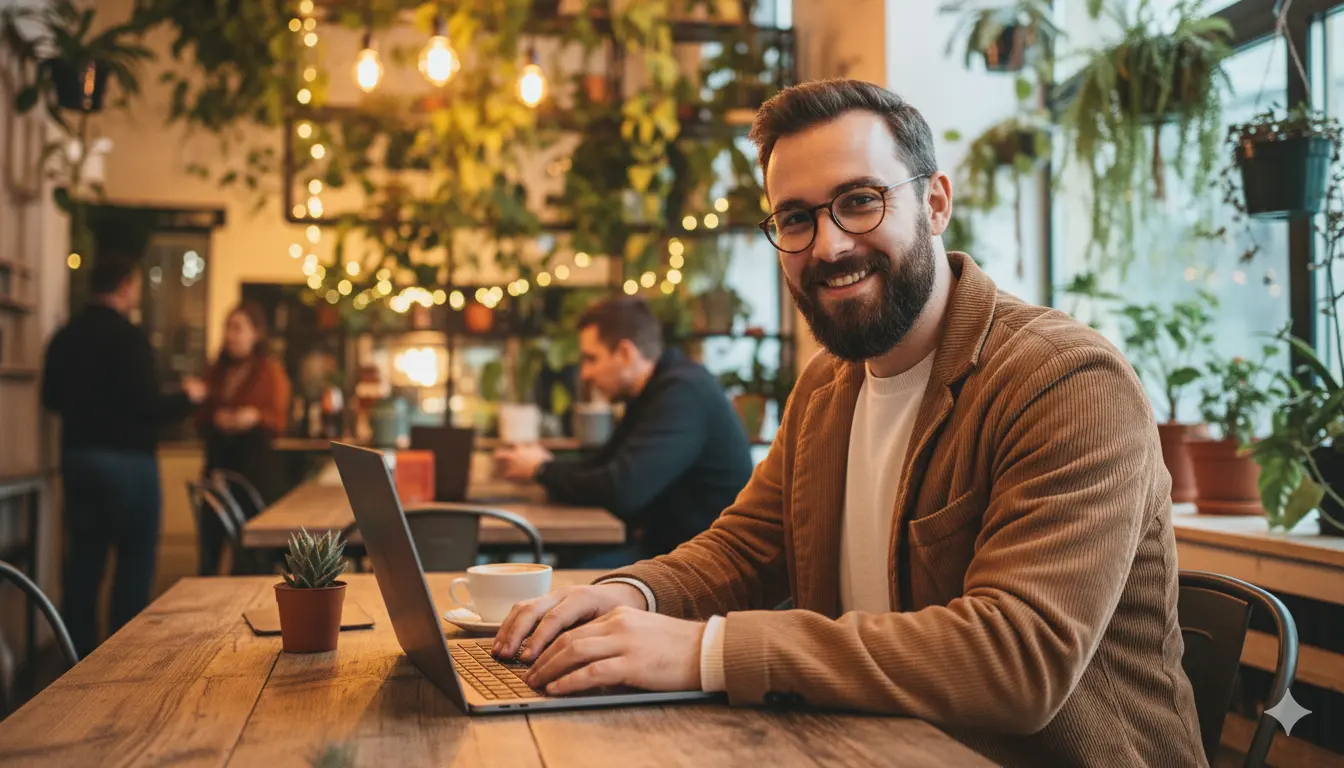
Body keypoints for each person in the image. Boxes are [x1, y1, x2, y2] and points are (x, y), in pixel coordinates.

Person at [492, 80, 1206, 766]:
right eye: (797, 219)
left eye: (860, 201)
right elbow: (745, 549)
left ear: (934, 202)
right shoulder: (829, 386)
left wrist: (703, 651)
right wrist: (622, 596)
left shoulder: (1066, 381)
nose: (828, 247)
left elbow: (1018, 662)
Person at [493, 296, 753, 568]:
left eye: (591, 359)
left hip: (708, 564)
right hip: (675, 548)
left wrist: (542, 470)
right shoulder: (654, 391)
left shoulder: (682, 392)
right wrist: (543, 466)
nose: (585, 374)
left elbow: (622, 490)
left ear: (626, 353)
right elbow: (605, 463)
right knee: (575, 562)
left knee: (579, 569)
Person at [42, 253, 207, 657]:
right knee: (133, 566)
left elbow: (50, 399)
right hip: (128, 465)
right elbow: (147, 406)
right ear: (127, 286)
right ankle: (121, 660)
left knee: (83, 566)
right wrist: (189, 397)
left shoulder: (65, 336)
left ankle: (74, 660)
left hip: (78, 460)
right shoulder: (130, 338)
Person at [195, 303, 292, 575]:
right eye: (228, 327)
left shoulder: (269, 371)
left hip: (254, 470)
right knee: (210, 548)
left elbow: (278, 420)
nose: (230, 335)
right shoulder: (216, 371)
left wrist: (254, 417)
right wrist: (217, 419)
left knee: (251, 555)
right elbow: (199, 416)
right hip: (218, 466)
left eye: (238, 328)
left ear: (255, 334)